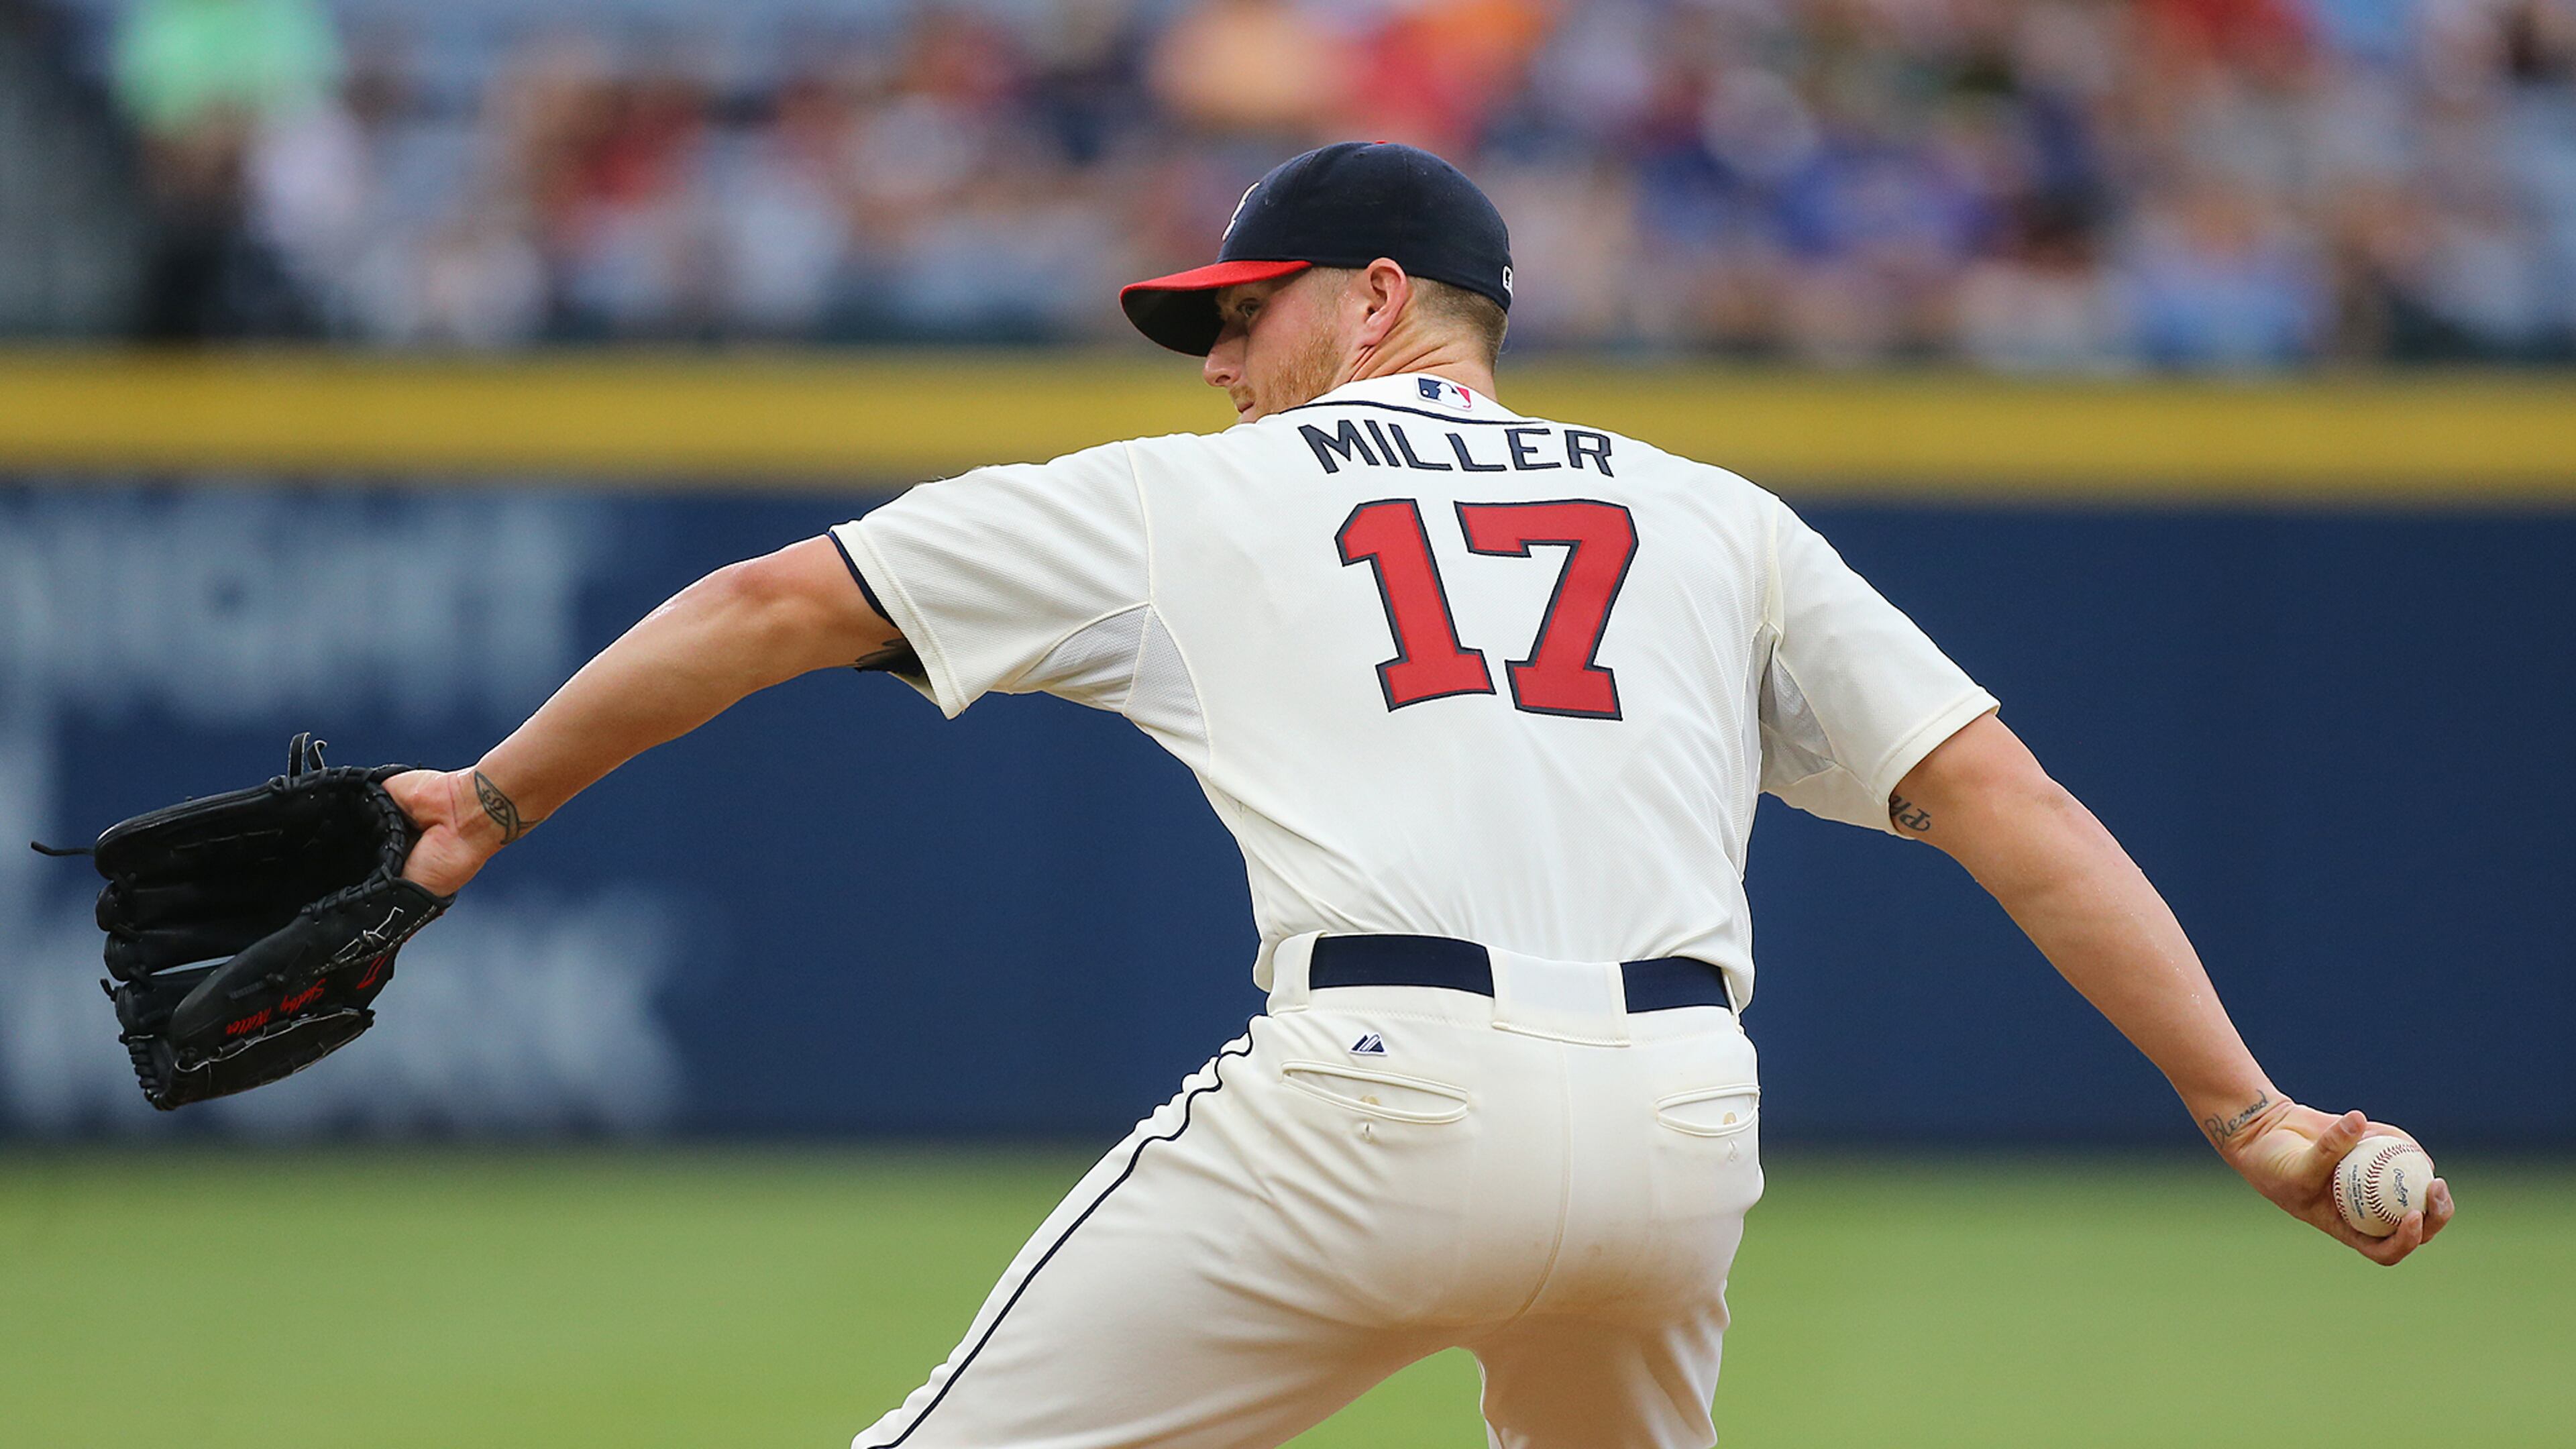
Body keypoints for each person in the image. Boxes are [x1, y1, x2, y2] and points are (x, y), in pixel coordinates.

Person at [385, 142, 2453, 1449]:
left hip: (1369, 1103)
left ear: (1373, 301)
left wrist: (493, 797)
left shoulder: (1195, 497)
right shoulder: (1711, 514)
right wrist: (2250, 1111)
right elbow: (2012, 801)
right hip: (1675, 1142)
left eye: (1240, 315)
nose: (1213, 363)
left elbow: (768, 601)